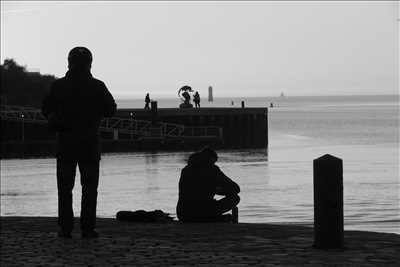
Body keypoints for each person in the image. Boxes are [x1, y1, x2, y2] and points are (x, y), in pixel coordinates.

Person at [42, 47, 116, 238]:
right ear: (90, 64)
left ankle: (65, 227)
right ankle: (87, 227)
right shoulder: (98, 86)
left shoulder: (58, 86)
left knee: (65, 189)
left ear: (69, 63)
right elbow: (111, 109)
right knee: (90, 189)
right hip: (89, 144)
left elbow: (46, 108)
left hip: (65, 144)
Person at [176, 148, 240, 222]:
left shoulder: (186, 170)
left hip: (183, 214)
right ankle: (212, 217)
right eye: (214, 162)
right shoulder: (212, 170)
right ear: (211, 159)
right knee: (235, 198)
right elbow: (236, 189)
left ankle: (212, 217)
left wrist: (212, 189)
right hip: (203, 211)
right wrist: (217, 190)